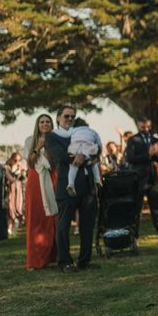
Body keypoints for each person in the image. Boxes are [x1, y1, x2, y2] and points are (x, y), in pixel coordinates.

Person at [45, 105, 98, 272]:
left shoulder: (81, 133)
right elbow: (59, 155)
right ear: (58, 118)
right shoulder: (52, 137)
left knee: (88, 224)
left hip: (87, 185)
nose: (69, 119)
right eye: (66, 116)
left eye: (72, 117)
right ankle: (65, 261)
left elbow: (96, 152)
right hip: (67, 186)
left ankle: (85, 260)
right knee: (63, 225)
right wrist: (81, 156)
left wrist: (86, 156)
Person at [125, 117, 158, 242]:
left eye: (147, 127)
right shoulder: (133, 140)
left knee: (156, 208)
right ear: (138, 125)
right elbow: (130, 158)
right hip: (138, 178)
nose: (145, 129)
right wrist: (149, 154)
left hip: (152, 178)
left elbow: (157, 159)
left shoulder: (154, 139)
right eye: (143, 127)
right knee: (136, 209)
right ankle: (133, 236)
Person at [23, 114, 58, 270]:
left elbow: (54, 162)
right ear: (38, 125)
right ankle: (34, 259)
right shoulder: (29, 140)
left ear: (52, 124)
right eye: (42, 122)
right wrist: (38, 147)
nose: (45, 124)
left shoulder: (56, 139)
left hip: (52, 179)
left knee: (52, 219)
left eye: (48, 122)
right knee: (35, 218)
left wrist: (48, 146)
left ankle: (53, 256)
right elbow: (30, 161)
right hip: (35, 181)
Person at [66, 118, 102, 197]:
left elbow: (67, 139)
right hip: (89, 148)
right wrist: (98, 153)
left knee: (74, 166)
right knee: (93, 163)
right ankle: (97, 179)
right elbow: (99, 143)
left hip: (76, 148)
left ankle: (70, 183)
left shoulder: (73, 130)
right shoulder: (92, 131)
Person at [4, 152, 26, 236]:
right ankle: (10, 228)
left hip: (18, 191)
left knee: (18, 208)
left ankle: (14, 228)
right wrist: (15, 170)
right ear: (12, 159)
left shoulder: (20, 168)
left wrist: (21, 171)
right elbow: (11, 179)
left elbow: (22, 178)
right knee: (10, 209)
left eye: (19, 160)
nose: (17, 162)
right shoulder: (7, 167)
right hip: (10, 191)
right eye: (15, 160)